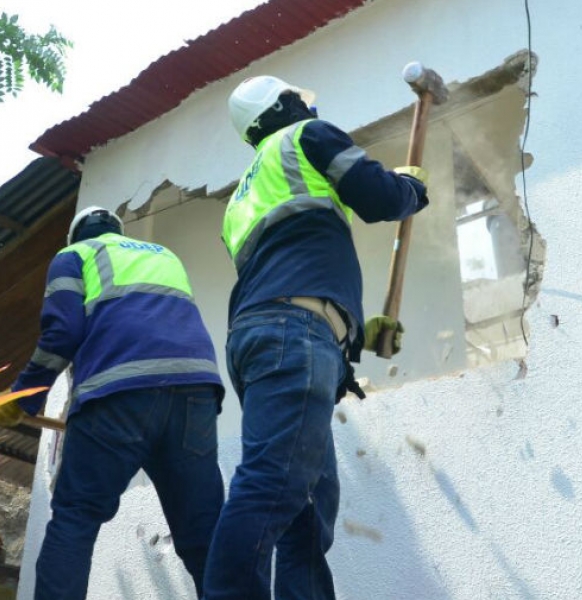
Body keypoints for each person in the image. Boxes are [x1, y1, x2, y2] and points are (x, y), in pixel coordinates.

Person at [202, 75, 428, 599]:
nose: (311, 105)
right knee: (272, 487)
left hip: (274, 337)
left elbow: (290, 265)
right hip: (295, 336)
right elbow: (378, 198)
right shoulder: (306, 135)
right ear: (283, 105)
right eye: (301, 100)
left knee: (306, 507)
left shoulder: (241, 196)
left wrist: (349, 333)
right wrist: (411, 187)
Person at [0, 206, 226, 599]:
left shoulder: (74, 256)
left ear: (77, 235)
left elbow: (62, 332)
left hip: (118, 393)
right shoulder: (163, 256)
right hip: (194, 392)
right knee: (206, 537)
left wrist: (23, 396)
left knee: (75, 520)